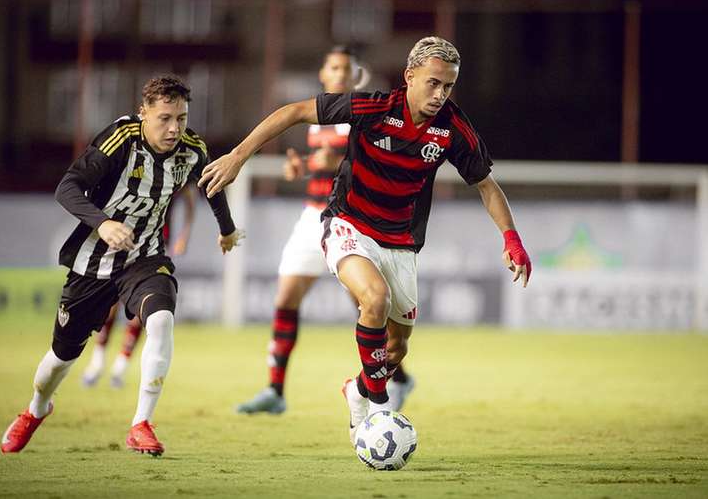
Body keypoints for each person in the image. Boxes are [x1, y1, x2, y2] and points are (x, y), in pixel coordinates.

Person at [198, 36, 531, 443]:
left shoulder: (453, 128)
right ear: (410, 76)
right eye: (433, 83)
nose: (440, 94)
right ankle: (376, 412)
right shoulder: (374, 107)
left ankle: (357, 390)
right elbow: (294, 111)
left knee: (397, 350)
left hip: (402, 242)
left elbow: (486, 184)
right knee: (373, 298)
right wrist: (237, 156)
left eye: (448, 86)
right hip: (348, 223)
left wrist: (511, 238)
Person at [0, 75, 244, 456]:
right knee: (60, 359)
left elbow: (211, 184)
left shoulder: (192, 150)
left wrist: (227, 230)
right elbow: (67, 187)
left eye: (180, 118)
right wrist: (104, 222)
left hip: (144, 257)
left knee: (161, 319)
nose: (174, 128)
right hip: (91, 262)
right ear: (143, 113)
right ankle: (35, 410)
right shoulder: (119, 140)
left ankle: (140, 424)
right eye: (164, 118)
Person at [237, 46, 415, 415]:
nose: (338, 74)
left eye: (345, 69)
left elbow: (367, 160)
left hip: (353, 221)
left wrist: (334, 160)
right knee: (286, 297)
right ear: (323, 73)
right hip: (313, 218)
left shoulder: (360, 113)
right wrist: (302, 166)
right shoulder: (321, 118)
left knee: (370, 305)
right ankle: (275, 389)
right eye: (333, 67)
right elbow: (329, 164)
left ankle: (394, 379)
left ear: (354, 76)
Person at [80, 185, 197, 389]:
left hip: (155, 246)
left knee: (143, 308)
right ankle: (96, 363)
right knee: (110, 305)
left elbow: (190, 197)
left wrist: (185, 234)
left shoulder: (180, 164)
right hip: (122, 239)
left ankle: (120, 367)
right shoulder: (136, 161)